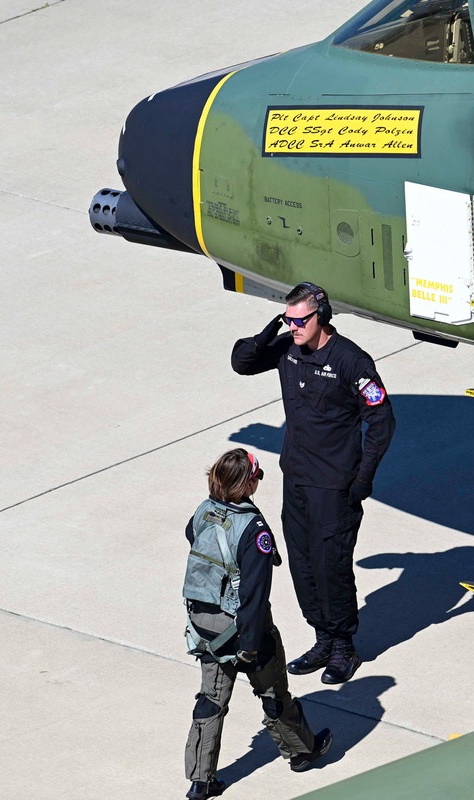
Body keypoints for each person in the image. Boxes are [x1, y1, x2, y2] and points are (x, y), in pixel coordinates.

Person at [231, 282, 396, 684]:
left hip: (334, 485)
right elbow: (242, 361)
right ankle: (322, 638)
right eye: (288, 319)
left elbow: (381, 420)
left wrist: (363, 478)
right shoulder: (288, 347)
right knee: (302, 563)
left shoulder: (351, 361)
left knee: (331, 566)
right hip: (297, 479)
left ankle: (343, 647)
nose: (294, 326)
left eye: (299, 320)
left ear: (320, 316)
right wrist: (274, 328)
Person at [182, 448, 333, 800]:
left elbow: (192, 536)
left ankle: (200, 781)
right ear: (247, 483)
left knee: (211, 700)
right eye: (257, 476)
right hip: (243, 630)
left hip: (204, 626)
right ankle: (301, 752)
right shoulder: (254, 529)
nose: (258, 481)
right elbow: (253, 594)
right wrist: (250, 645)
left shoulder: (204, 509)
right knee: (273, 694)